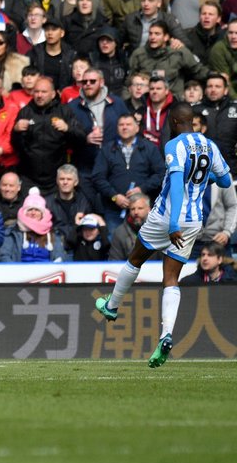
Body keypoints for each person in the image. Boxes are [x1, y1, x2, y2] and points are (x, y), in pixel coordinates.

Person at [95, 103, 232, 368]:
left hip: (166, 217)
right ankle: (166, 334)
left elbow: (178, 185)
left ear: (174, 122)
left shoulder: (174, 146)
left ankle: (112, 305)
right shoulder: (209, 145)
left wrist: (172, 224)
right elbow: (226, 181)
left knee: (135, 258)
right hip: (194, 221)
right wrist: (205, 179)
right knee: (171, 278)